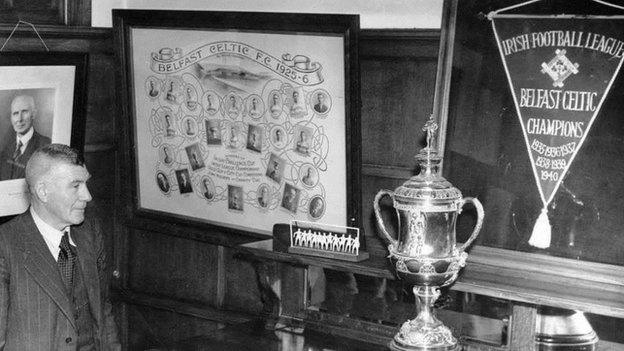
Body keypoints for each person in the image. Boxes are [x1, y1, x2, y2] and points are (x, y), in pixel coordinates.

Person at [0, 144, 120, 350]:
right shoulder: (5, 244)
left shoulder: (90, 231)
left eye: (85, 184)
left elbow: (103, 311)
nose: (87, 196)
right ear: (43, 191)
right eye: (76, 186)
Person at [0, 94, 51, 180]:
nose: (19, 119)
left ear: (33, 114)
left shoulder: (46, 145)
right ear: (11, 118)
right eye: (15, 113)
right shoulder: (5, 148)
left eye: (24, 112)